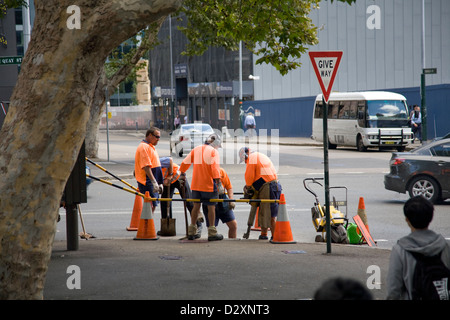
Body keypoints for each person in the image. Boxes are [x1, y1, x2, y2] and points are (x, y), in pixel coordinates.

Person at [386, 196, 450, 300]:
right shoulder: (446, 246)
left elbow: (393, 291)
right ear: (431, 217)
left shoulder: (400, 250)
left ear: (407, 220)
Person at [179, 134, 224, 241]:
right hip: (208, 184)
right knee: (211, 207)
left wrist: (182, 173)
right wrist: (219, 183)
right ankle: (212, 233)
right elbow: (215, 168)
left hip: (196, 184)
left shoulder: (197, 149)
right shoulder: (213, 152)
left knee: (196, 206)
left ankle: (191, 231)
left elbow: (185, 162)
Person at [239, 147, 282, 240]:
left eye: (244, 159)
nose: (245, 162)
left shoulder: (252, 158)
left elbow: (249, 176)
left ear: (245, 155)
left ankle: (275, 237)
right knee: (265, 211)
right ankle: (264, 234)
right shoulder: (259, 155)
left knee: (269, 213)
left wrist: (248, 187)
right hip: (274, 185)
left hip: (268, 186)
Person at [159, 156, 202, 237]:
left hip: (178, 177)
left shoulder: (155, 162)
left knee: (188, 202)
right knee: (165, 202)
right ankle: (167, 227)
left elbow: (170, 160)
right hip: (168, 181)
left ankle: (198, 225)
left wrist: (170, 175)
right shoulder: (148, 174)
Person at [202, 167, 237, 238]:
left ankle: (232, 243)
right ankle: (213, 245)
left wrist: (231, 200)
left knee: (233, 225)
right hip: (210, 200)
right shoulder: (205, 174)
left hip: (222, 199)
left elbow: (229, 187)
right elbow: (198, 193)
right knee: (212, 228)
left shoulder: (221, 171)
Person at [134, 127, 163, 210]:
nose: (158, 139)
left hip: (151, 181)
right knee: (150, 205)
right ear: (150, 135)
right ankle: (146, 223)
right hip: (147, 181)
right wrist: (154, 182)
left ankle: (147, 222)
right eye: (157, 137)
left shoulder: (150, 146)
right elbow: (146, 167)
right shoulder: (144, 147)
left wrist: (159, 182)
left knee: (152, 205)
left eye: (159, 137)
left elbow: (155, 165)